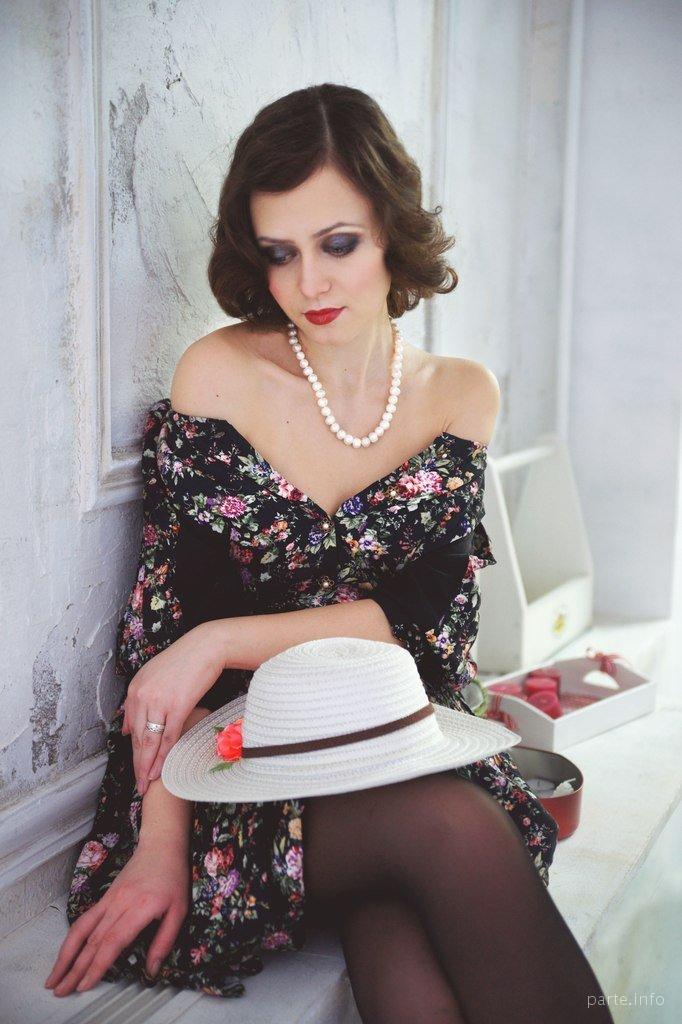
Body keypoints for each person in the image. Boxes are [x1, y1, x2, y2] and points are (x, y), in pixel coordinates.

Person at [45, 84, 614, 1023]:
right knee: (450, 834)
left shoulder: (461, 394)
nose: (309, 283)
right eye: (280, 252)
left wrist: (223, 639)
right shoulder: (219, 376)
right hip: (233, 769)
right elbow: (167, 641)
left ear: (392, 231)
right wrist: (160, 843)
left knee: (405, 915)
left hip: (395, 748)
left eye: (338, 243)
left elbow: (424, 627)